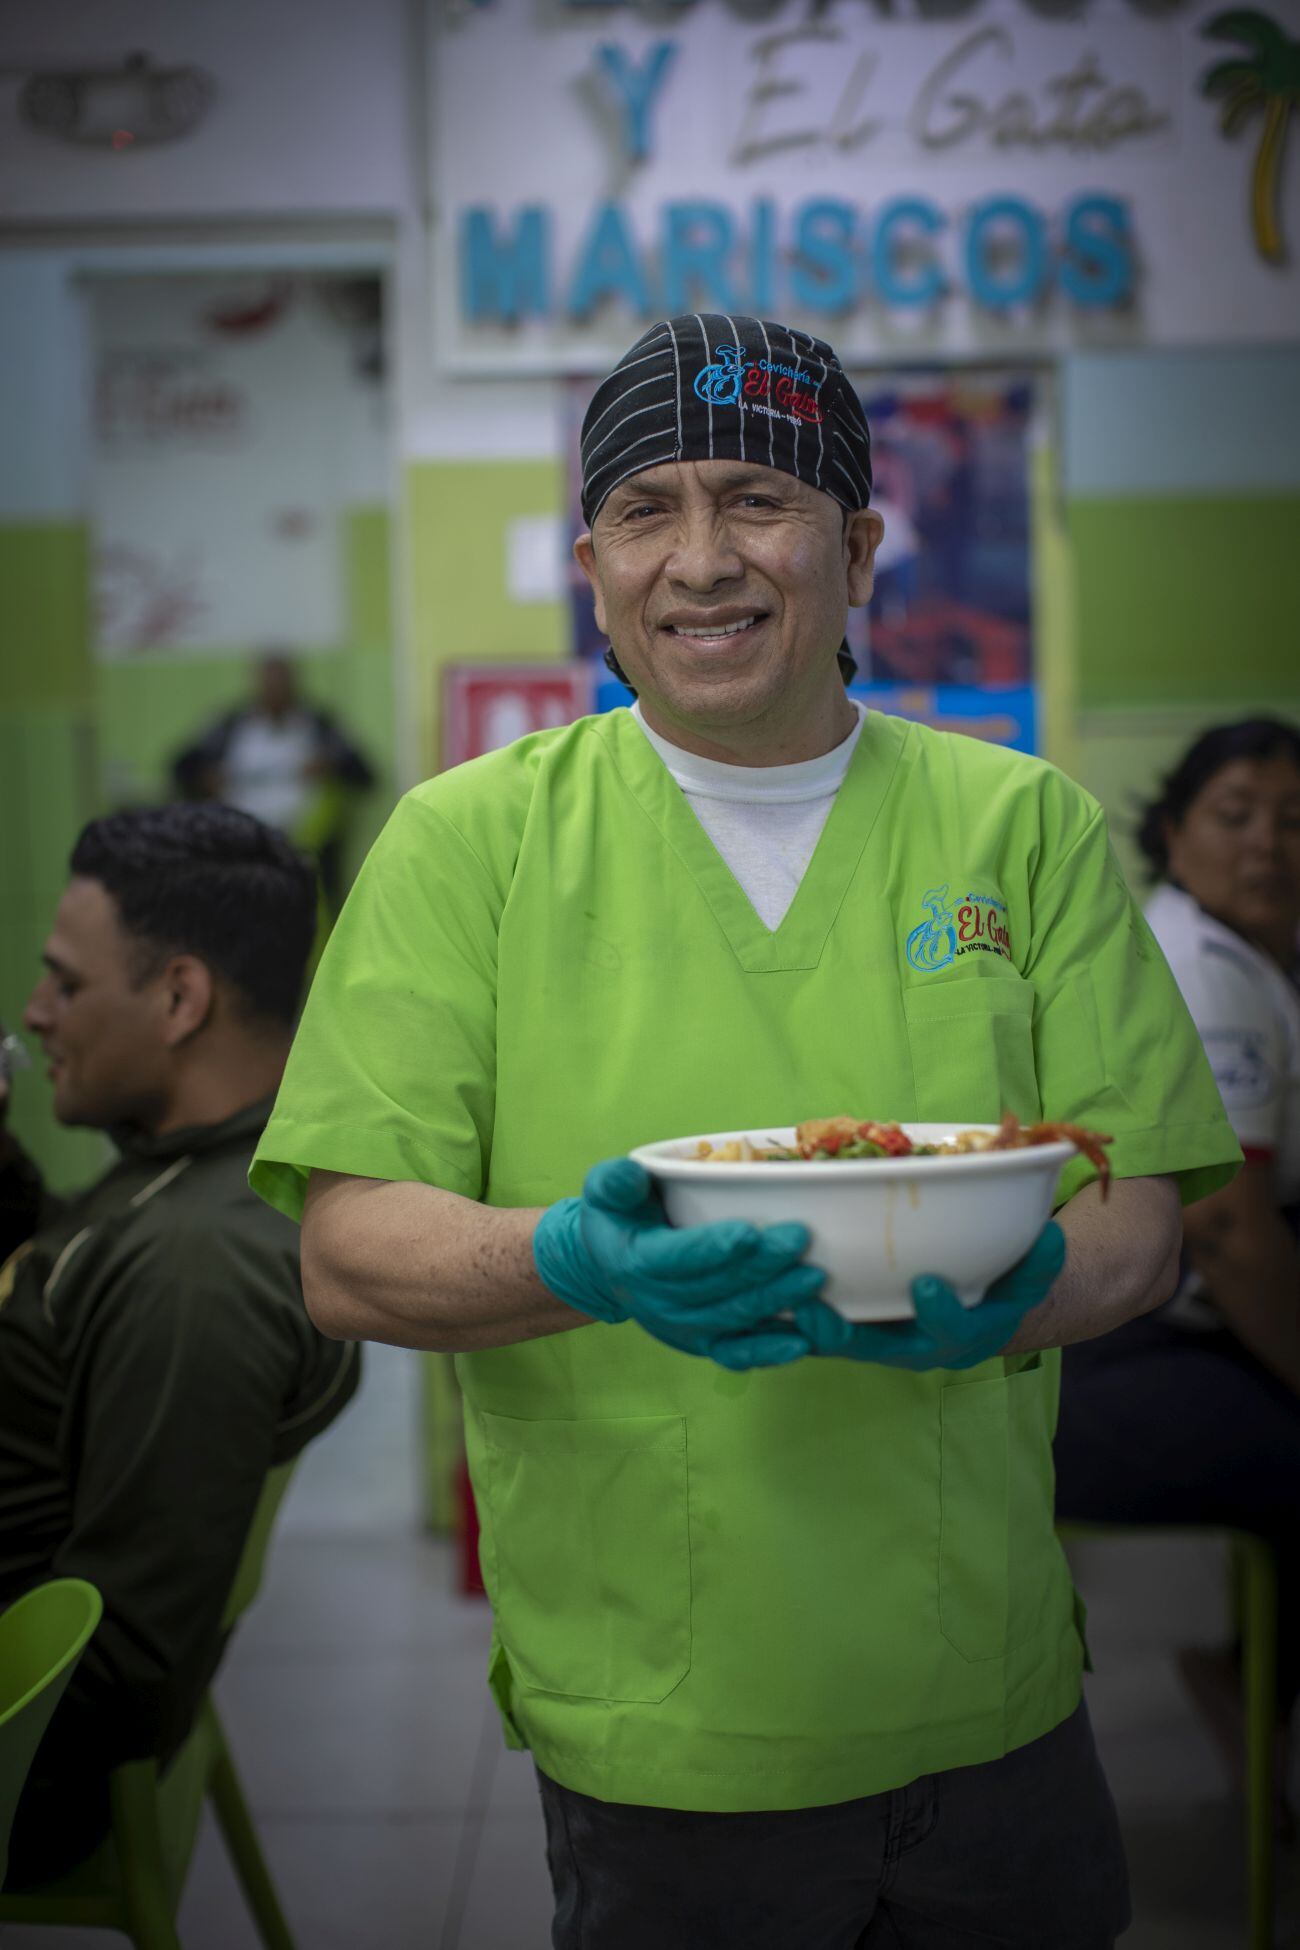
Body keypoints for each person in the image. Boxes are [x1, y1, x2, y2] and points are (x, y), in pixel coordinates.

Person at [251, 314, 1239, 1949]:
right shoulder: (464, 846)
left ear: (856, 544)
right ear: (593, 566)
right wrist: (572, 1260)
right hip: (661, 1717)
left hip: (984, 1687)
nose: (700, 561)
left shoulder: (1022, 826)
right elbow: (347, 1252)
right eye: (648, 512)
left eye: (756, 501)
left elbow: (1144, 1221)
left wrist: (1027, 1289)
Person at [0, 803, 361, 1886]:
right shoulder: (194, 1171)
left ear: (179, 997)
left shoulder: (197, 1271)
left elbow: (120, 1673)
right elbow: (72, 1279)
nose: (35, 1014)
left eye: (65, 984)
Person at [1055, 717, 1300, 1810]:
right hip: (1105, 1358)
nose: (1267, 847)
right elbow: (1228, 1236)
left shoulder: (1247, 954)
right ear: (1172, 833)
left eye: (1293, 822)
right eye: (1234, 818)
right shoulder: (1204, 975)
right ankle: (1256, 1713)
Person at [171, 649, 375, 909]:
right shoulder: (231, 724)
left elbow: (365, 774)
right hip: (242, 841)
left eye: (283, 683)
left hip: (308, 844)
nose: (276, 692)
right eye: (269, 683)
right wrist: (207, 777)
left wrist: (330, 765)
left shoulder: (318, 723)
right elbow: (181, 767)